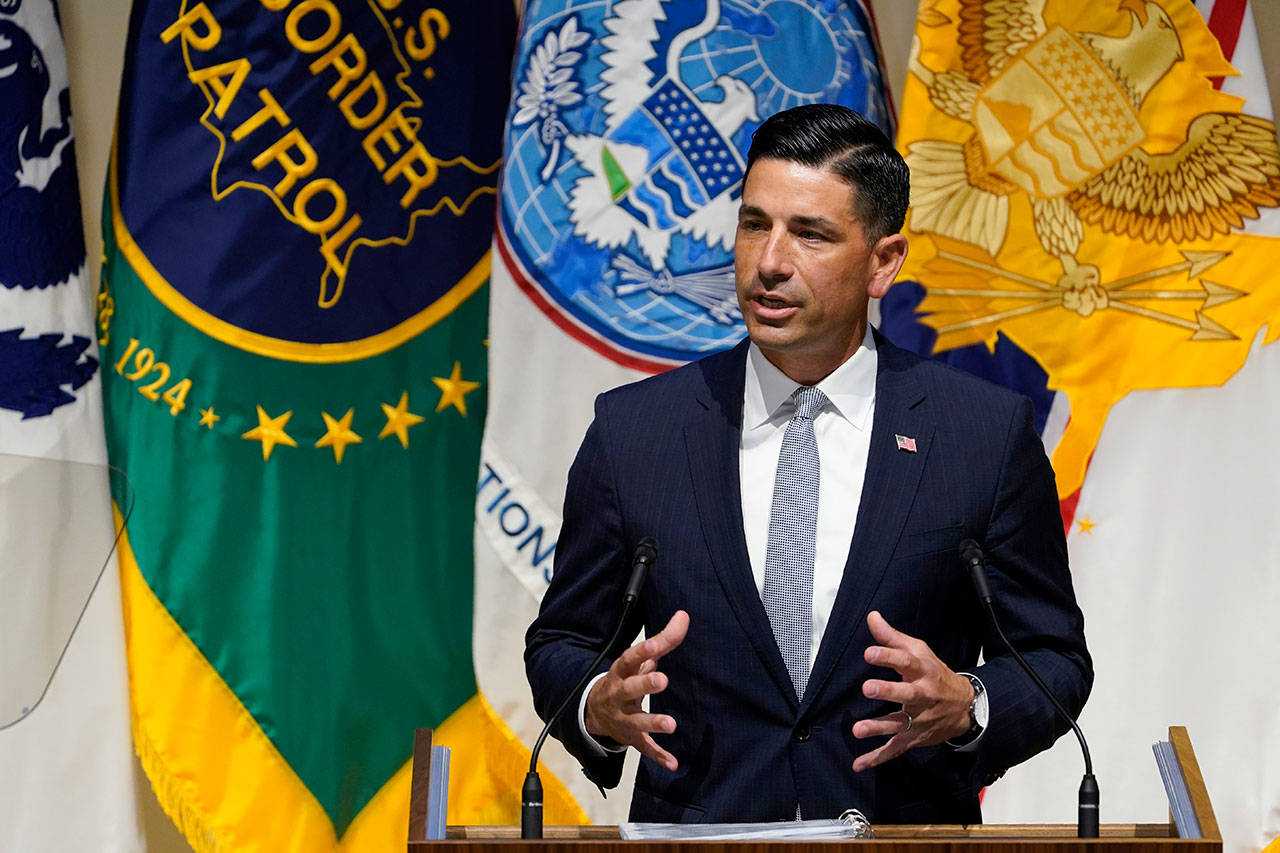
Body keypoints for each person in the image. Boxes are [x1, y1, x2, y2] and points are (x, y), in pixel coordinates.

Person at [524, 104, 1091, 824]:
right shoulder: (637, 431)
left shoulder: (982, 434)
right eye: (755, 223)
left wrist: (969, 703)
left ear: (883, 261)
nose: (769, 261)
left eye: (810, 234)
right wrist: (596, 701)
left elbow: (1053, 658)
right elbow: (562, 641)